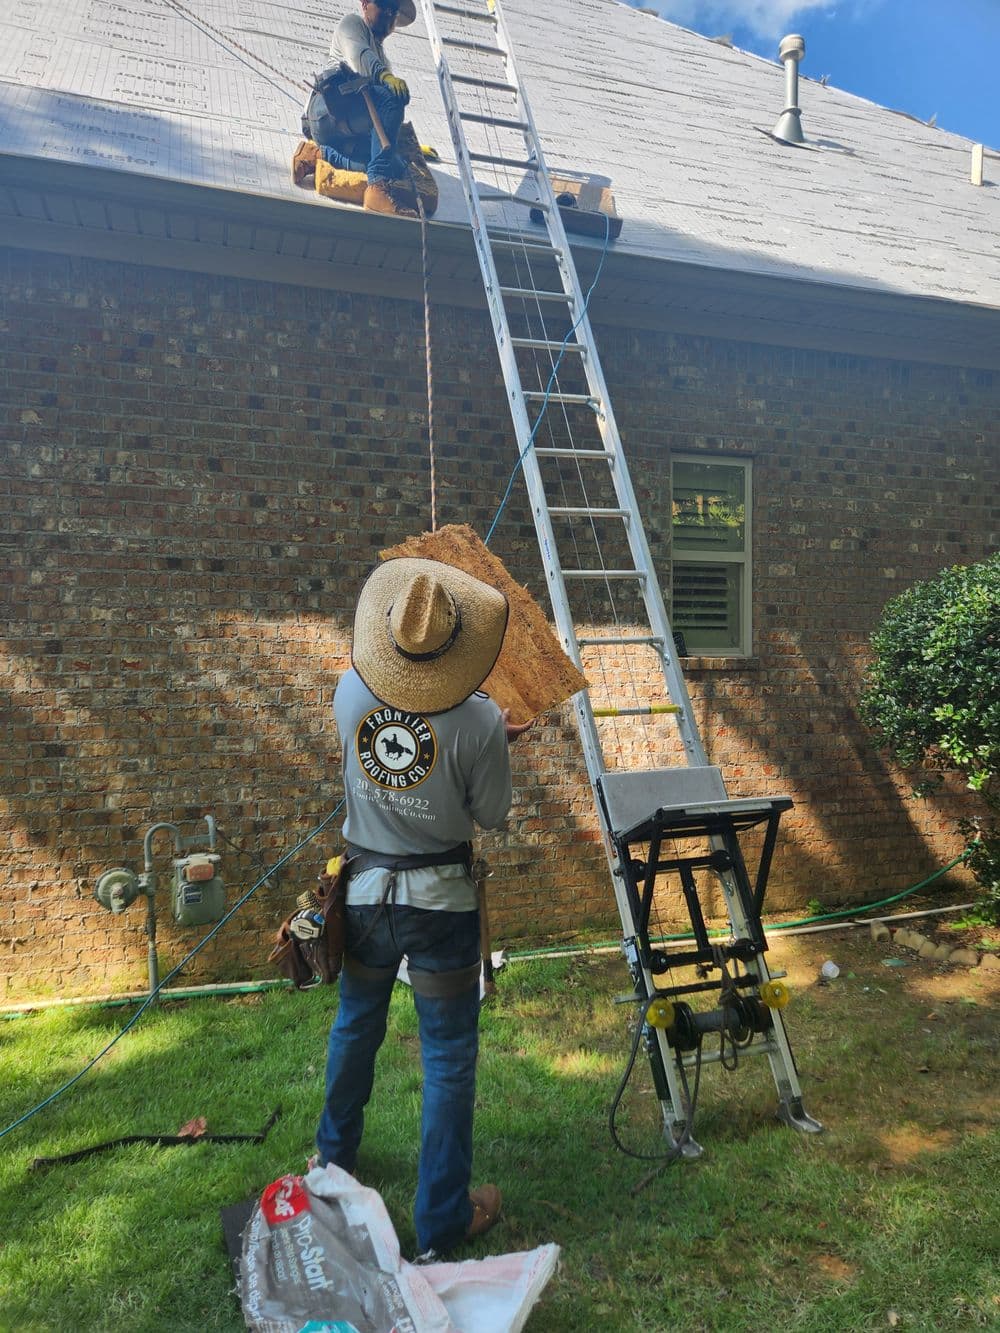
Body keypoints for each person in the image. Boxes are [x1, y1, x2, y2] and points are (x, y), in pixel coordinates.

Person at [316, 557, 528, 1259]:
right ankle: (441, 1221)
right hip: (440, 904)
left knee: (355, 1027)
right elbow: (490, 813)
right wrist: (492, 747)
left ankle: (331, 1168)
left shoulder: (350, 689)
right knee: (447, 1057)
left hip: (365, 894)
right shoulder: (481, 718)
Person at [296, 0, 421, 218]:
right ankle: (377, 188)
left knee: (397, 166)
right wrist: (384, 77)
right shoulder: (352, 25)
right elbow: (360, 55)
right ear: (365, 4)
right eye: (384, 6)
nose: (389, 15)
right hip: (329, 109)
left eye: (394, 11)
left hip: (351, 126)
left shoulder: (383, 60)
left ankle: (318, 154)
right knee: (390, 97)